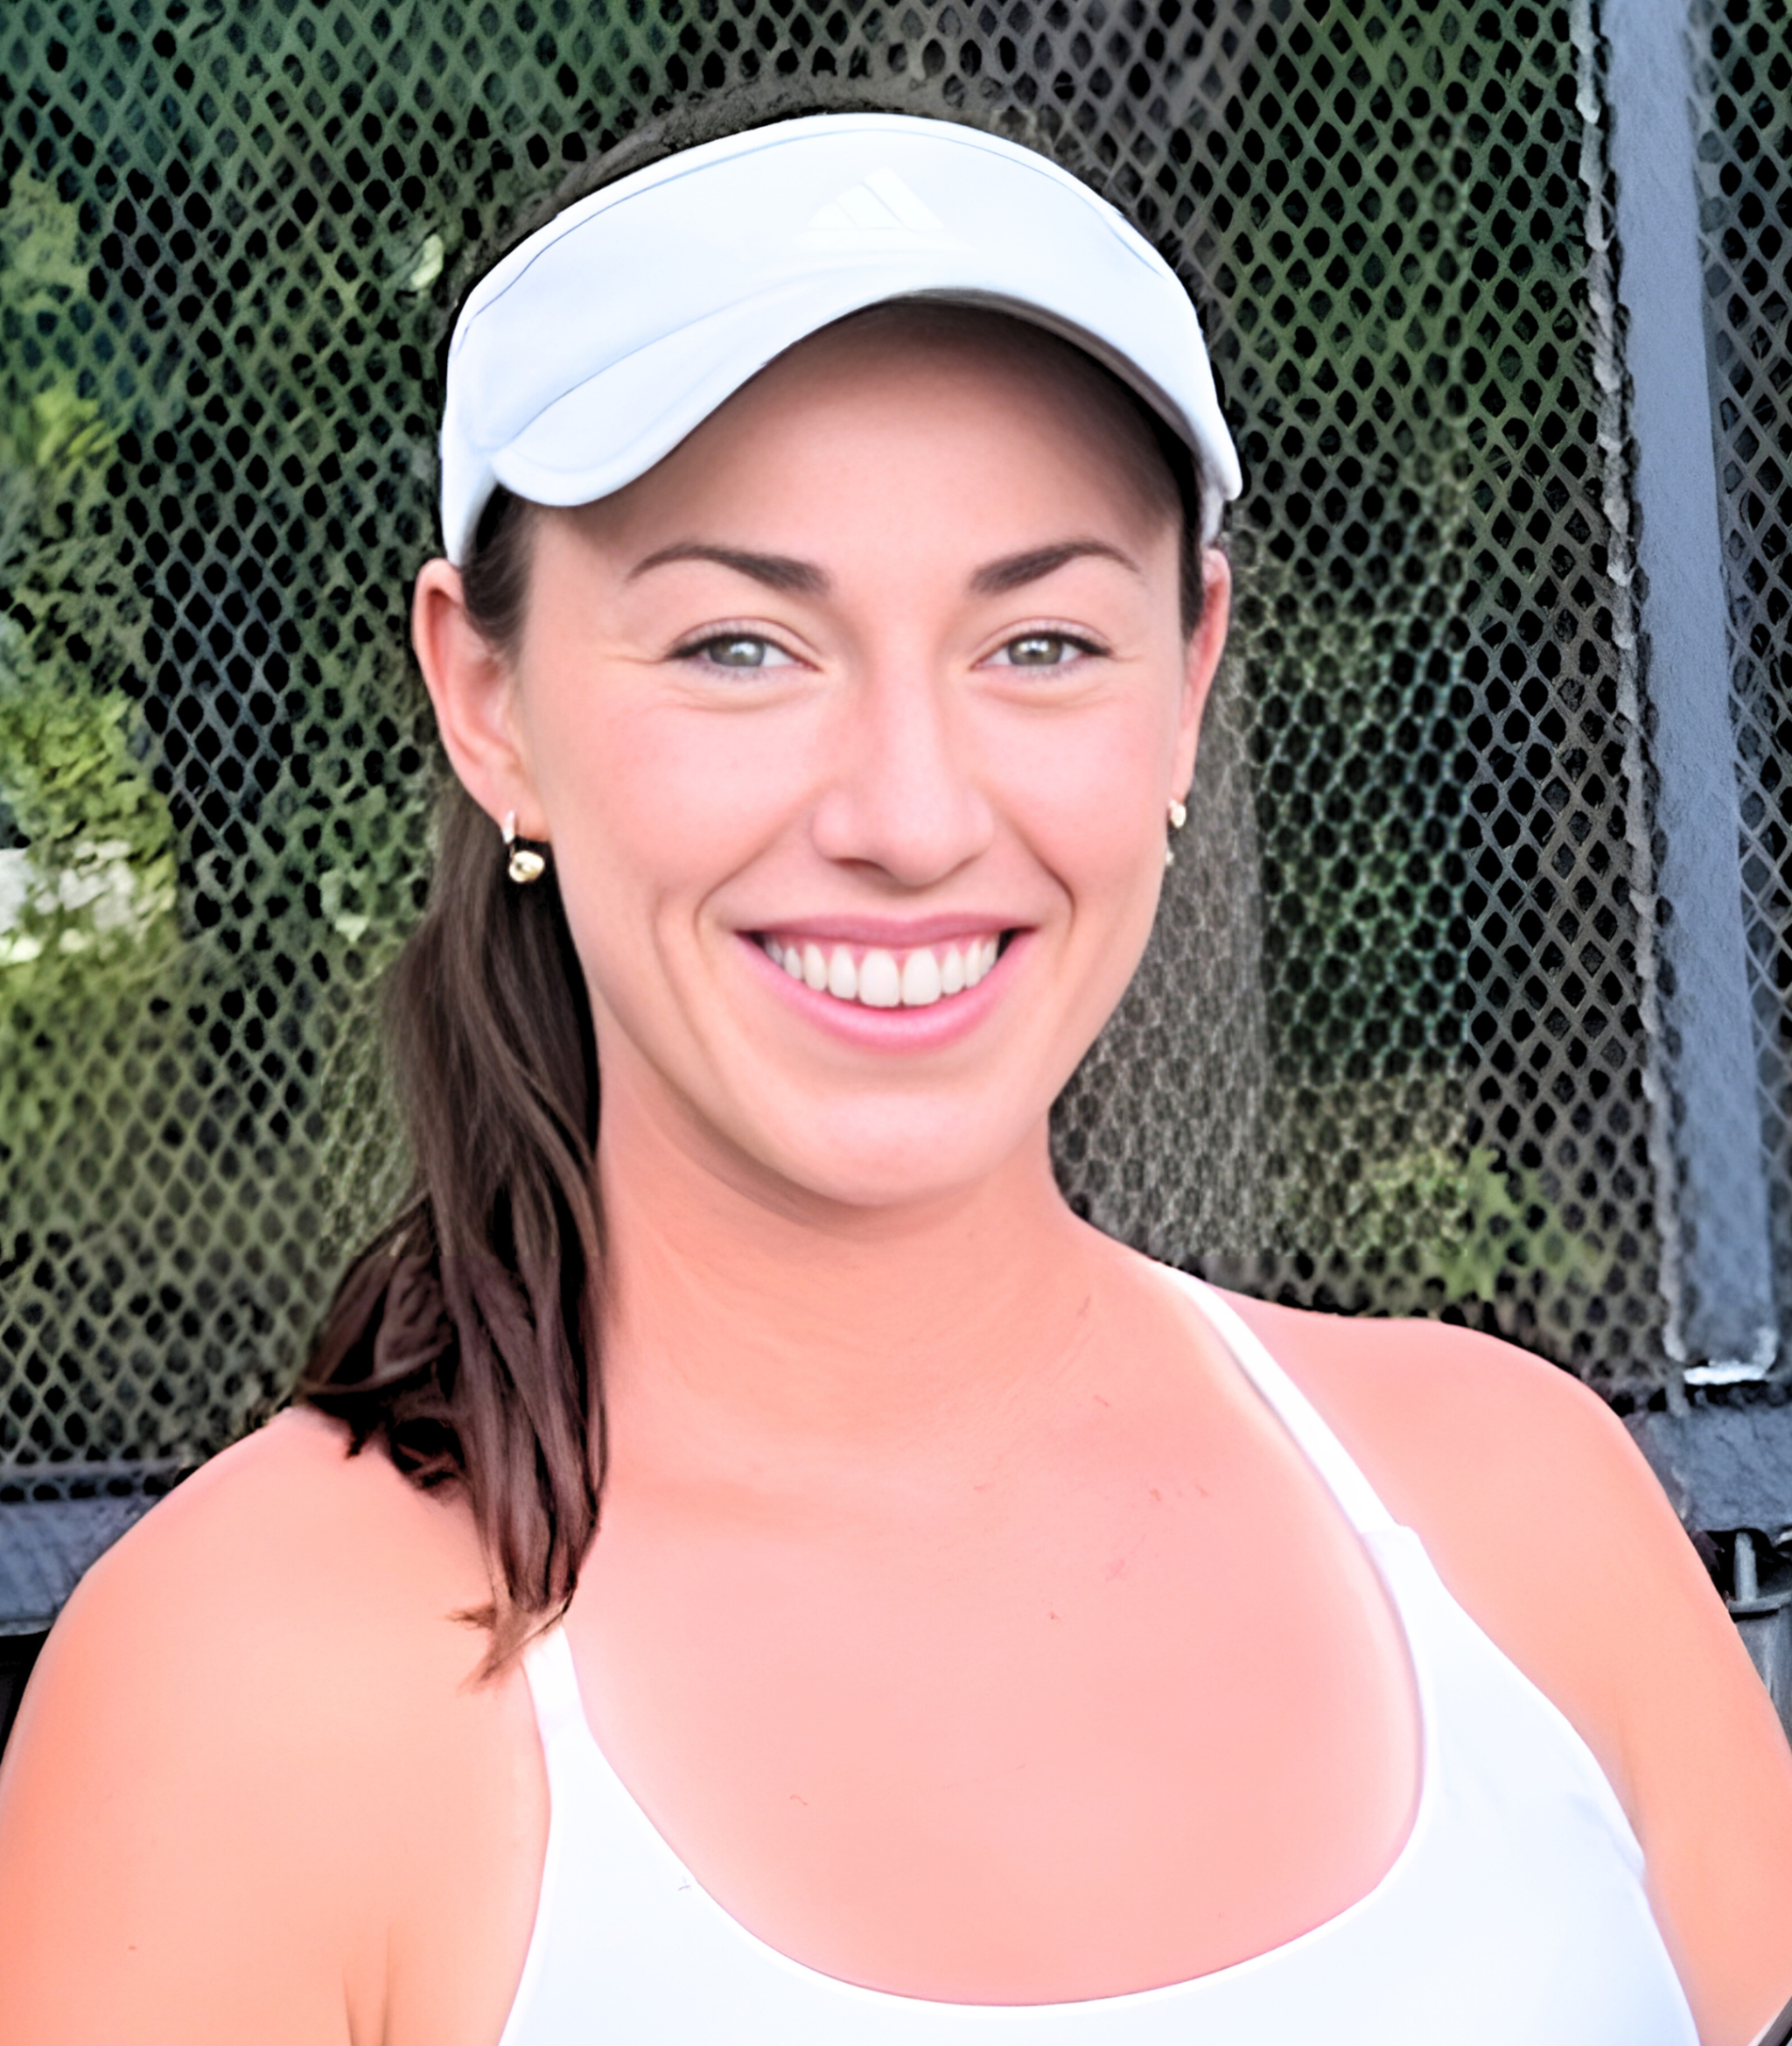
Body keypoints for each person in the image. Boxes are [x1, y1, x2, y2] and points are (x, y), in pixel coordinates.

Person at [0, 110, 1788, 2046]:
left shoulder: (1518, 1514)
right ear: (486, 699)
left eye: (1036, 639)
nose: (912, 816)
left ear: (1189, 674)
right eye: (743, 645)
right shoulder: (244, 1689)